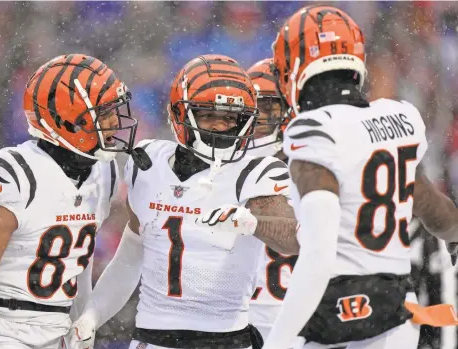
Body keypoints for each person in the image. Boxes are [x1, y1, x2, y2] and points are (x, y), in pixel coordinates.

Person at [258, 5, 458, 349]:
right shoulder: (399, 117)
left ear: (294, 67)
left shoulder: (312, 130)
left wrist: (277, 342)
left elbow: (318, 254)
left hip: (335, 309)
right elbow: (434, 212)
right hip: (395, 310)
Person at [68, 54, 299, 349]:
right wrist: (92, 316)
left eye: (230, 118)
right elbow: (129, 258)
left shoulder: (256, 172)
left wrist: (252, 223)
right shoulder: (148, 163)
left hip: (225, 340)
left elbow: (293, 237)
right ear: (181, 114)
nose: (219, 127)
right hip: (151, 339)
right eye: (207, 115)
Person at [0, 54, 141, 349]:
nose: (115, 122)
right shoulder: (15, 173)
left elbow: (79, 265)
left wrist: (82, 326)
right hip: (5, 332)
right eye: (104, 114)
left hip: (61, 332)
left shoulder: (104, 171)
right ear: (68, 121)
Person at [245, 58, 297, 341]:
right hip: (241, 318)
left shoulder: (311, 170)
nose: (260, 117)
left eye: (269, 107)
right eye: (254, 107)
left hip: (296, 316)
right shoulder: (225, 165)